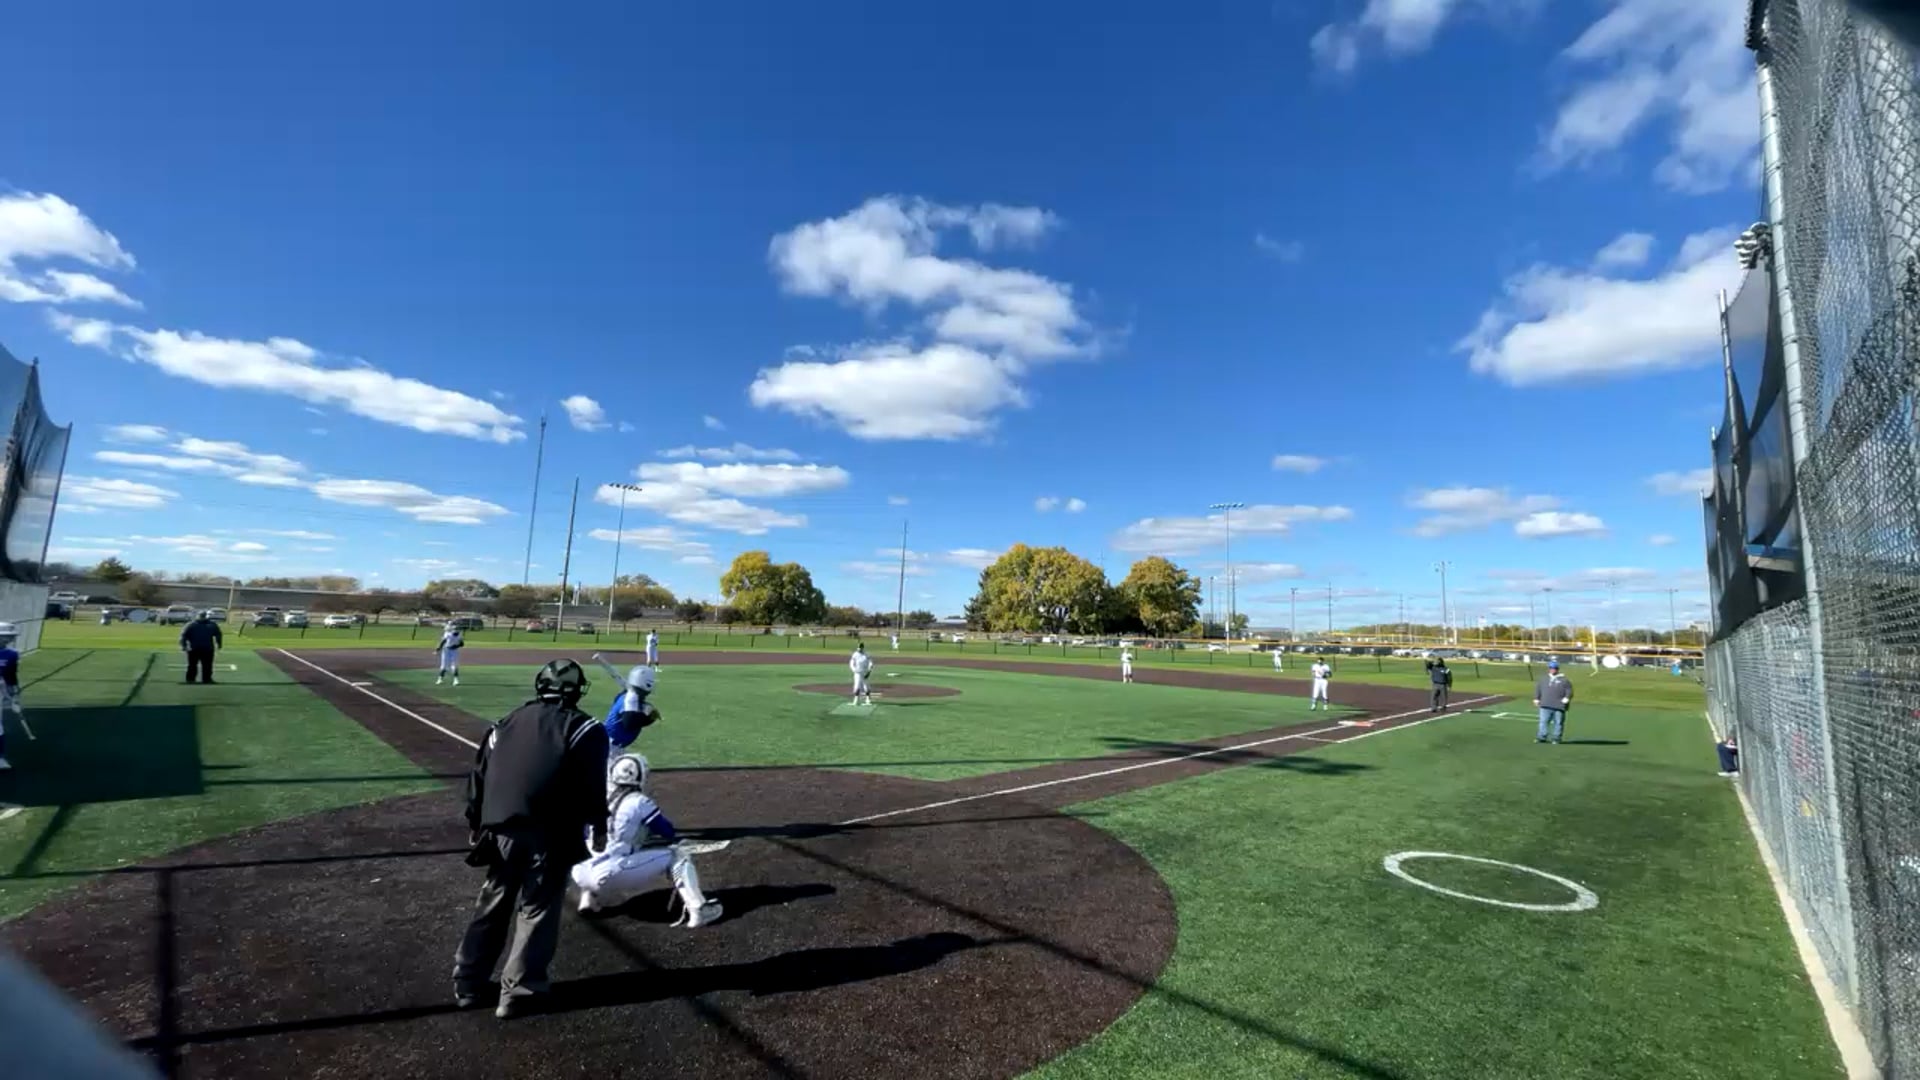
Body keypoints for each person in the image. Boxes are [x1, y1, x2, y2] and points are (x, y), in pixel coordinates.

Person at [453, 659, 609, 1019]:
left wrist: (475, 821)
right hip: (551, 833)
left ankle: (468, 982)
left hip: (501, 830)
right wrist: (599, 827)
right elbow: (592, 786)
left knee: (492, 903)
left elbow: (479, 776)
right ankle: (519, 992)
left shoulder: (504, 723)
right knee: (537, 910)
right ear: (576, 691)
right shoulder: (586, 728)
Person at [571, 752, 723, 926]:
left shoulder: (599, 796)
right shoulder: (639, 801)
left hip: (581, 872)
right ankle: (699, 910)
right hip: (610, 873)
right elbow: (667, 832)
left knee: (602, 852)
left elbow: (584, 834)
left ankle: (588, 901)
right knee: (678, 855)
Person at [603, 664, 660, 751]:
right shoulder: (631, 697)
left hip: (610, 745)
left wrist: (647, 713)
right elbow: (629, 722)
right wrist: (649, 718)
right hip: (609, 747)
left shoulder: (628, 696)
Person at [1534, 660, 1574, 744]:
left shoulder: (1564, 680)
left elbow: (1569, 690)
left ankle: (1556, 738)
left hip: (1559, 705)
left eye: (1554, 668)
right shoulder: (1543, 679)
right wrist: (1536, 698)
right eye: (1551, 668)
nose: (1553, 670)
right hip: (1545, 704)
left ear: (1557, 669)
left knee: (1558, 723)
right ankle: (1541, 737)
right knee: (1543, 722)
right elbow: (1538, 689)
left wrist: (1567, 698)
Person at [180, 610, 223, 685]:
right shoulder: (192, 625)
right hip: (196, 648)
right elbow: (184, 636)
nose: (202, 617)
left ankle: (204, 679)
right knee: (194, 665)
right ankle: (193, 679)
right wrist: (184, 645)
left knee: (206, 665)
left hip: (204, 648)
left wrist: (219, 644)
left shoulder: (210, 625)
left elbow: (218, 634)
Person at [0, 622, 20, 771]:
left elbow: (11, 676)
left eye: (11, 636)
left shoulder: (12, 654)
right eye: (5, 636)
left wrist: (15, 696)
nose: (9, 639)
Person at [436, 620, 465, 686]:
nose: (456, 631)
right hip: (446, 650)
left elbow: (462, 644)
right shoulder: (448, 634)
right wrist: (439, 648)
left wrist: (456, 646)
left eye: (457, 630)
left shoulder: (459, 635)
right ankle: (440, 679)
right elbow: (443, 641)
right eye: (455, 630)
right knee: (444, 666)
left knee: (454, 666)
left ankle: (456, 680)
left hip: (454, 651)